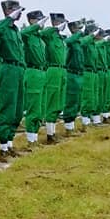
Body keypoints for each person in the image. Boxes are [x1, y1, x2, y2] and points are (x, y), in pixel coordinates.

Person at [0, 0, 26, 161]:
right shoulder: (3, 27)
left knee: (18, 109)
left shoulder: (16, 30)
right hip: (9, 69)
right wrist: (9, 18)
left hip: (19, 70)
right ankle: (3, 147)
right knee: (8, 108)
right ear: (9, 10)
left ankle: (10, 144)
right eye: (17, 10)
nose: (20, 13)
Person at [20, 10, 48, 147]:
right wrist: (36, 26)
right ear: (31, 21)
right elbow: (23, 33)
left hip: (42, 73)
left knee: (41, 107)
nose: (41, 22)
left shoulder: (39, 38)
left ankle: (35, 138)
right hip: (33, 72)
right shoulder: (28, 36)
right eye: (38, 20)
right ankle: (31, 140)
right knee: (34, 107)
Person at [41, 14, 69, 142]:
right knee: (51, 102)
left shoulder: (60, 38)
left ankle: (53, 132)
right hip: (53, 70)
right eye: (61, 22)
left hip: (62, 70)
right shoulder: (50, 35)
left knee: (58, 103)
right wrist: (55, 28)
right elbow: (44, 33)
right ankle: (49, 135)